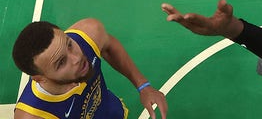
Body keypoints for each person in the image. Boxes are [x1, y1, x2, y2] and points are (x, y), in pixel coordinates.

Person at [12, 18, 168, 119]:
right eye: (61, 63)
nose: (77, 58)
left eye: (69, 44)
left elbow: (108, 46)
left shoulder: (88, 33)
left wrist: (143, 86)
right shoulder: (33, 116)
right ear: (40, 78)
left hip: (113, 112)